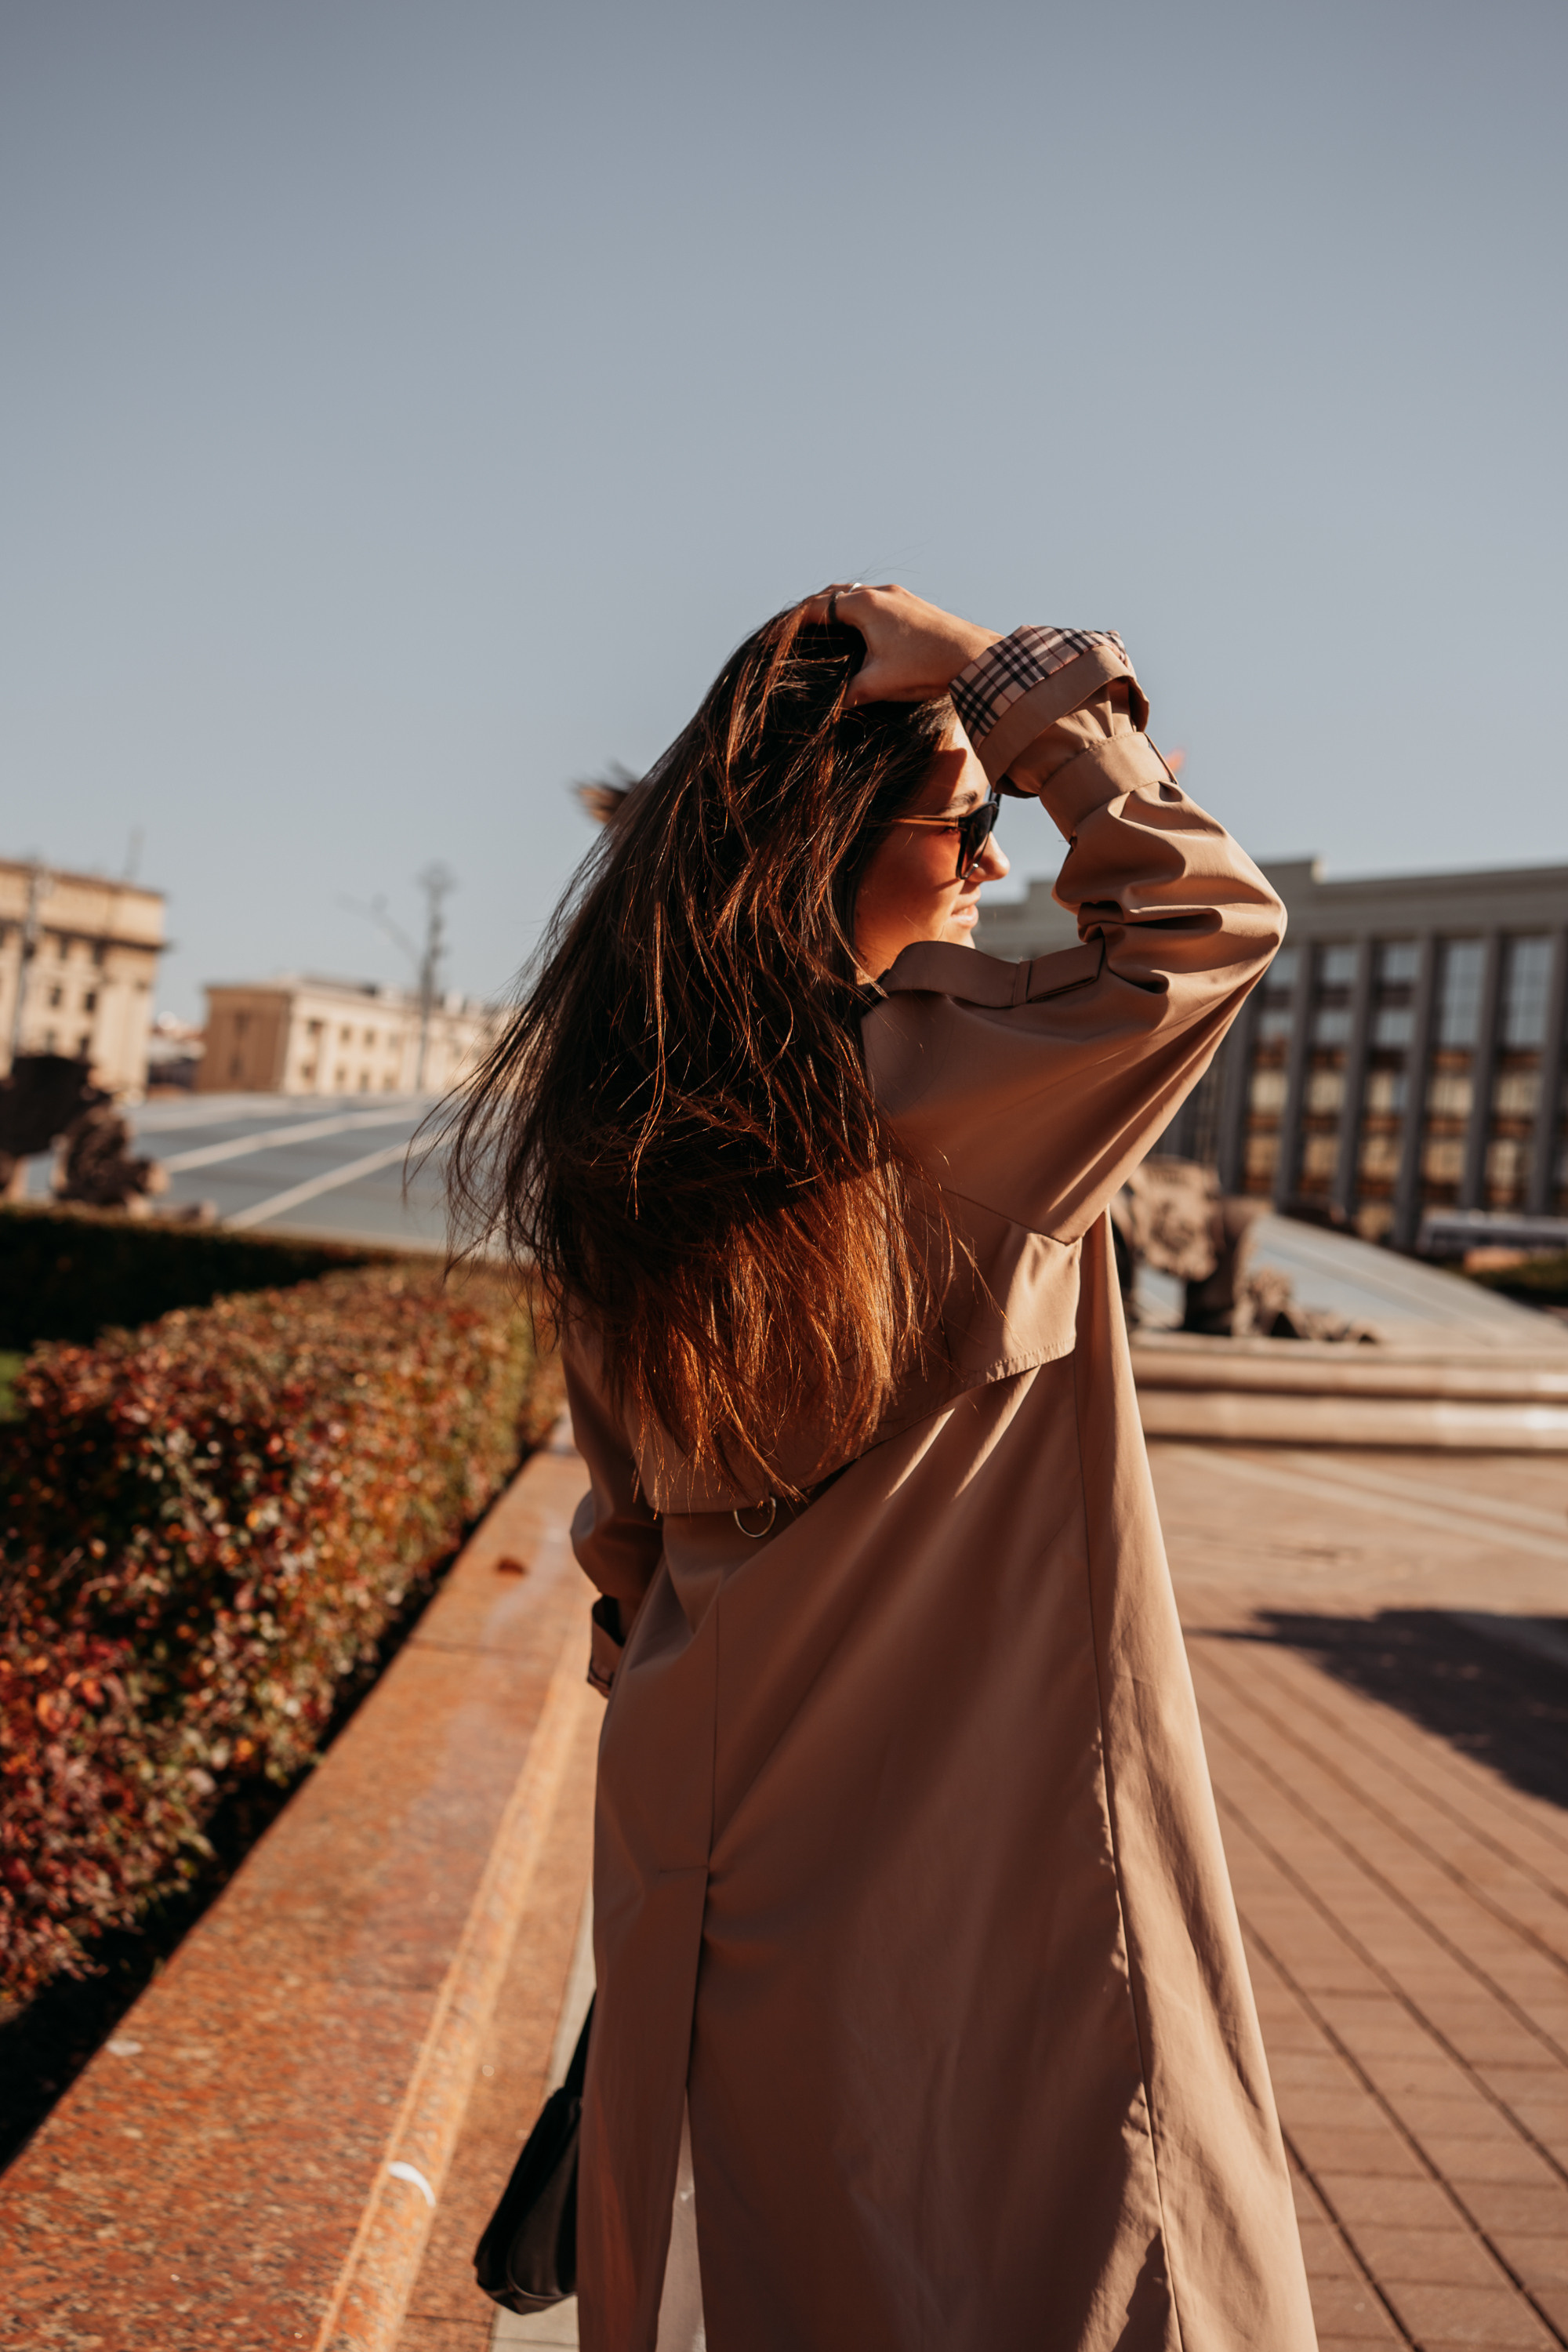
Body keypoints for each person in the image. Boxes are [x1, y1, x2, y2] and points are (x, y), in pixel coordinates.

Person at [446, 586, 1318, 2352]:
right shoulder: (952, 1092)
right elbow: (1206, 917)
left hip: (712, 1827)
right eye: (966, 828)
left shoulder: (625, 1150)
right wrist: (1034, 701)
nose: (991, 868)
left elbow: (625, 1551)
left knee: (792, 2266)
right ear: (821, 847)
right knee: (1084, 2243)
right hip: (986, 1829)